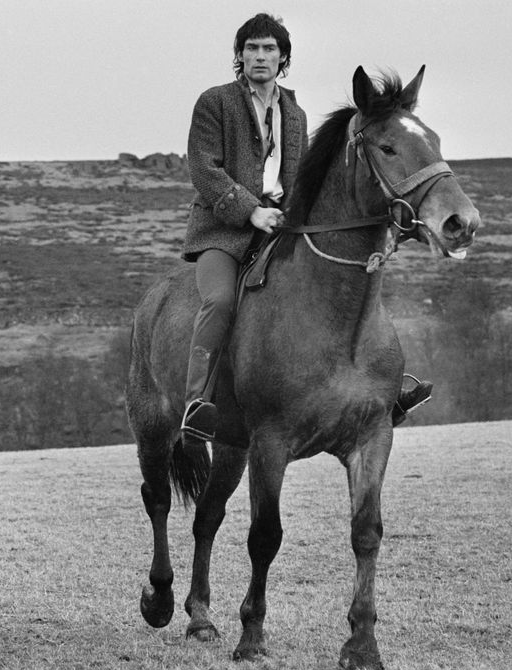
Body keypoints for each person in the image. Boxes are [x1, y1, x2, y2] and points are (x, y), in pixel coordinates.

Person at [179, 13, 431, 443]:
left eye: (270, 49)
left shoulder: (293, 113)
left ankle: (380, 389)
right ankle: (197, 403)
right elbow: (204, 169)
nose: (260, 56)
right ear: (239, 56)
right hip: (225, 230)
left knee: (345, 287)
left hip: (283, 224)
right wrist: (249, 210)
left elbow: (302, 177)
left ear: (283, 58)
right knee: (220, 301)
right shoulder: (214, 102)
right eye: (252, 48)